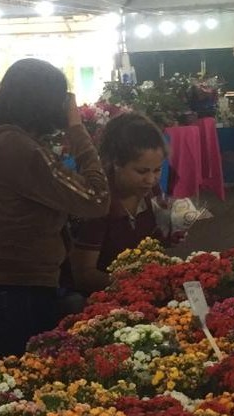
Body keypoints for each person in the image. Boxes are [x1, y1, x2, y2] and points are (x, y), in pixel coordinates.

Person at [0, 58, 110, 361]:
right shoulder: (18, 148)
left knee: (2, 378)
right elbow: (97, 198)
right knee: (20, 383)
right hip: (19, 289)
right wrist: (77, 130)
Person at [68, 112, 169, 295]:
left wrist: (168, 236)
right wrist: (135, 285)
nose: (151, 179)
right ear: (116, 163)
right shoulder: (98, 203)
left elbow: (150, 246)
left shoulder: (151, 192)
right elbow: (84, 275)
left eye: (157, 170)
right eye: (141, 171)